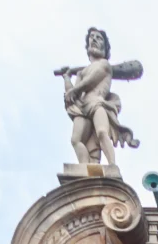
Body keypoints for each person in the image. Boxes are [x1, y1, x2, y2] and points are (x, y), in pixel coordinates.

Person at [56, 28, 140, 166]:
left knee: (101, 132)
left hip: (97, 103)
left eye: (99, 38)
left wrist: (75, 89)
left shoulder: (104, 65)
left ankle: (112, 165)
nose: (94, 39)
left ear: (105, 48)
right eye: (92, 37)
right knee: (76, 140)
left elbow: (92, 80)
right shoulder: (81, 73)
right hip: (83, 108)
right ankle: (86, 170)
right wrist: (67, 77)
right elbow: (72, 95)